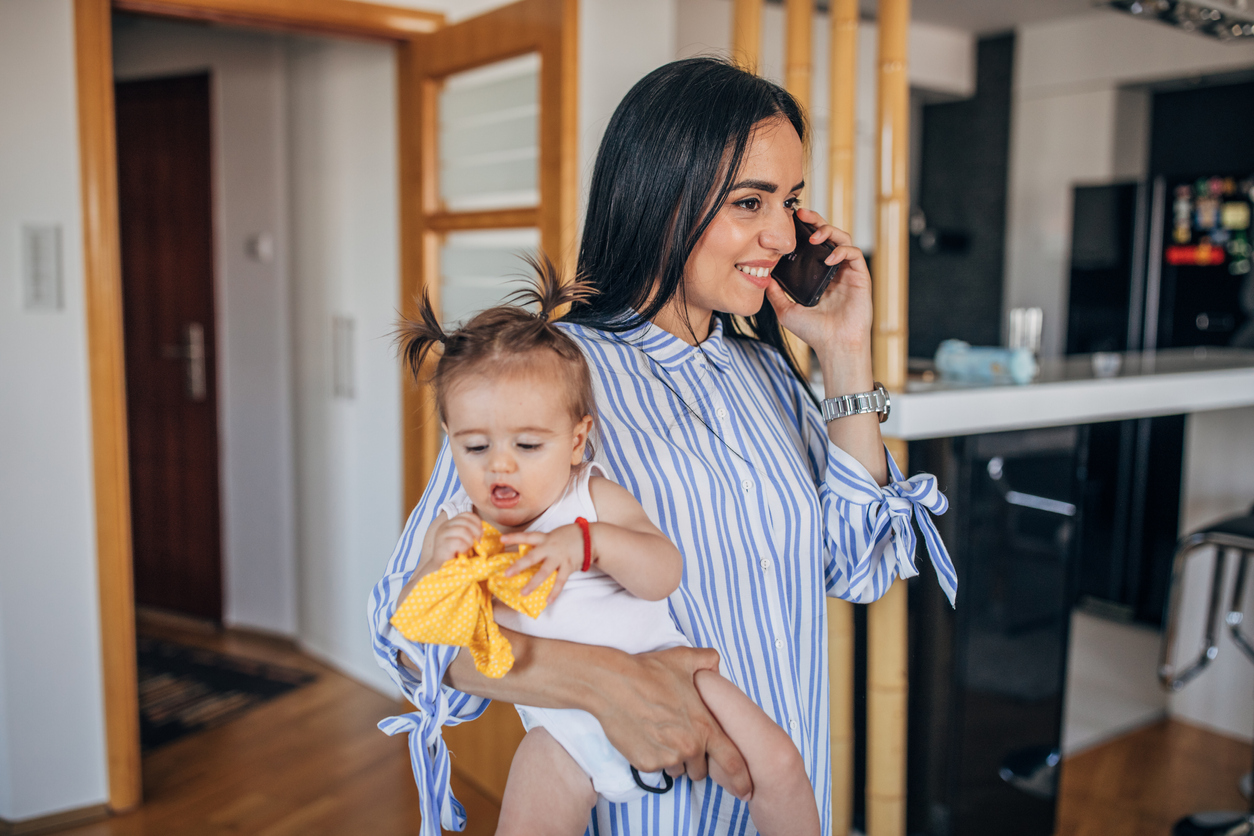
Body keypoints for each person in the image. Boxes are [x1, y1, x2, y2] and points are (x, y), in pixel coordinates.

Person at [371, 57, 956, 836]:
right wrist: (601, 683)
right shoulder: (552, 379)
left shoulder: (765, 375)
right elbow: (409, 630)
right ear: (661, 195)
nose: (782, 235)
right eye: (750, 201)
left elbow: (860, 566)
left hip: (789, 796)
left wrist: (847, 355)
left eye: (791, 201)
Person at [388, 259, 821, 835]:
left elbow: (663, 573)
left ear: (576, 439)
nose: (500, 464)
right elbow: (415, 635)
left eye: (526, 443)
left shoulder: (589, 497)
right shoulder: (455, 525)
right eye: (474, 446)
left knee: (781, 765)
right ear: (451, 440)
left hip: (679, 678)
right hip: (562, 728)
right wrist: (438, 564)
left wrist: (590, 545)